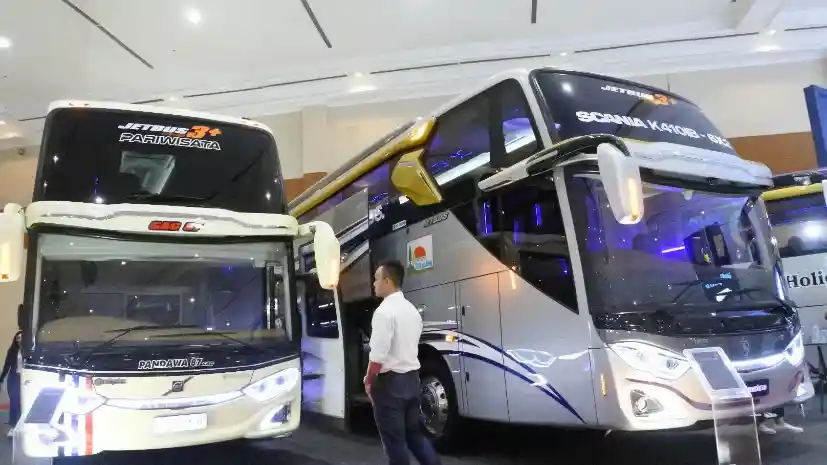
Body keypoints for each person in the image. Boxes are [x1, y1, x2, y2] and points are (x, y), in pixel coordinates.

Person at [364, 260, 441, 465]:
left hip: (390, 386)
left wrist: (369, 381)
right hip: (412, 381)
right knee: (415, 437)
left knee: (395, 444)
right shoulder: (412, 311)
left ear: (387, 281)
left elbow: (377, 356)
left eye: (376, 279)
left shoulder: (383, 312)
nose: (374, 284)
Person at [0, 330, 22, 437]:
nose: (20, 340)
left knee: (23, 402)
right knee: (14, 401)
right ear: (15, 340)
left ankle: (21, 425)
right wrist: (2, 378)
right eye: (18, 338)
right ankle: (13, 425)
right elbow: (7, 365)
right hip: (14, 378)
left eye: (22, 337)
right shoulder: (12, 350)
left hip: (25, 377)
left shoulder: (29, 351)